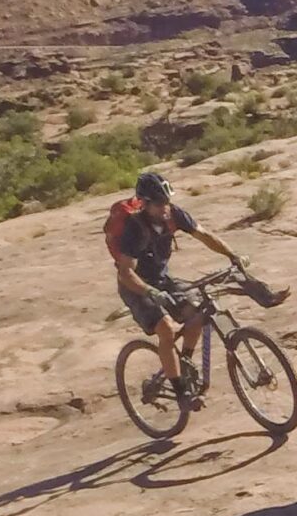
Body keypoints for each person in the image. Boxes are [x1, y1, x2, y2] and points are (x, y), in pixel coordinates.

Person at [104, 171, 280, 399]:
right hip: (136, 287)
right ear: (145, 204)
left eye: (167, 201)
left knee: (197, 313)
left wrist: (232, 255)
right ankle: (180, 391)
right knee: (166, 329)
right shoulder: (134, 229)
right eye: (159, 204)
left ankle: (184, 363)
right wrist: (151, 292)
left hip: (162, 279)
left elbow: (204, 235)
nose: (165, 208)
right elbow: (126, 272)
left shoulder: (173, 215)